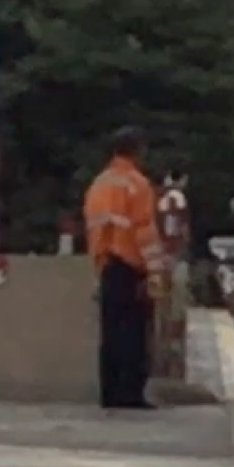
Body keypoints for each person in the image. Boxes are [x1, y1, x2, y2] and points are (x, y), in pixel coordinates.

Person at [83, 126, 165, 411]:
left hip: (107, 264)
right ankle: (130, 393)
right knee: (134, 333)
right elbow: (144, 231)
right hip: (132, 267)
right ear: (138, 151)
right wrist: (155, 270)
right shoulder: (137, 185)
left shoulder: (100, 183)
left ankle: (110, 393)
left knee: (111, 332)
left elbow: (94, 227)